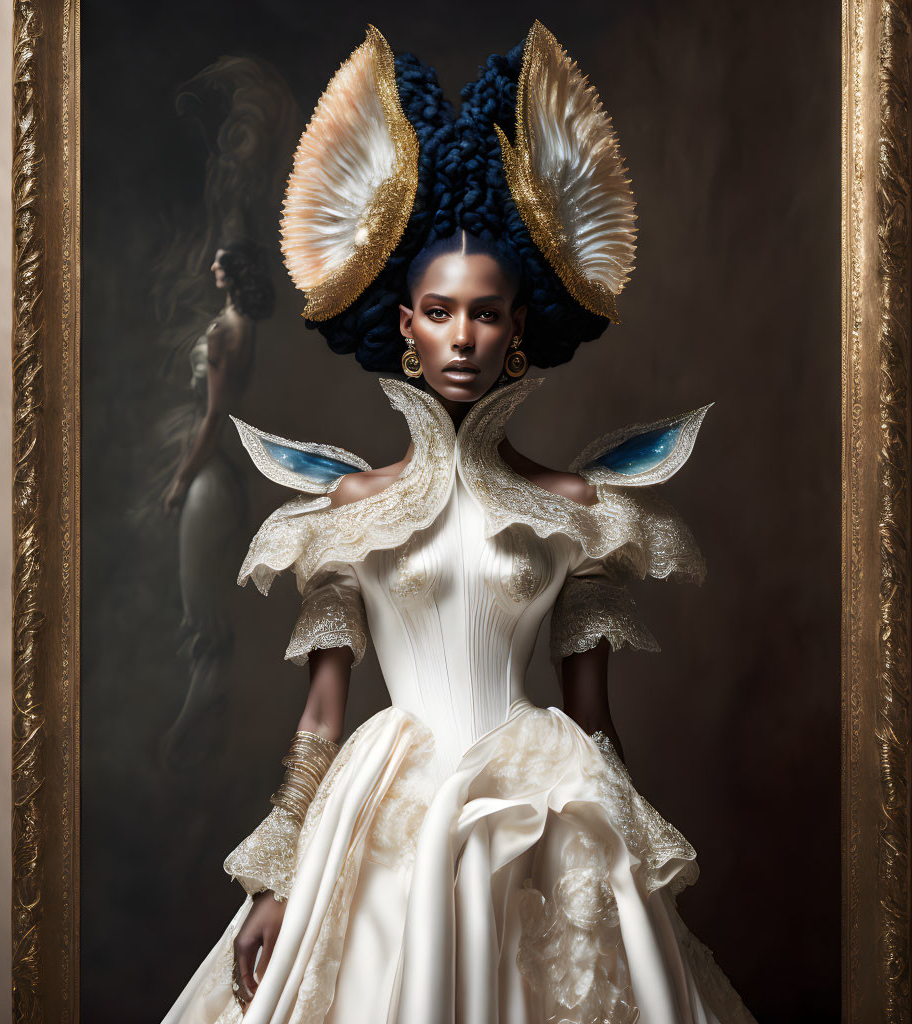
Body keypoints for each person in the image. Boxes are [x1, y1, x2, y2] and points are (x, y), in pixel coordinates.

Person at [162, 22, 754, 1024]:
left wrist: (629, 867)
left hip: (542, 803)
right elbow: (320, 718)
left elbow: (594, 722)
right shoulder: (348, 512)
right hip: (381, 805)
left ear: (518, 326)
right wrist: (273, 879)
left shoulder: (578, 511)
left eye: (485, 312)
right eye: (439, 311)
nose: (463, 335)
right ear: (405, 325)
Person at [161, 240, 275, 769]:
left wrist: (182, 479)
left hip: (210, 481)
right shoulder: (246, 329)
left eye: (221, 261)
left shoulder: (223, 332)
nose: (211, 266)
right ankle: (201, 724)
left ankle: (192, 728)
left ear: (235, 272)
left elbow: (213, 416)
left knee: (202, 612)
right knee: (205, 606)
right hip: (225, 479)